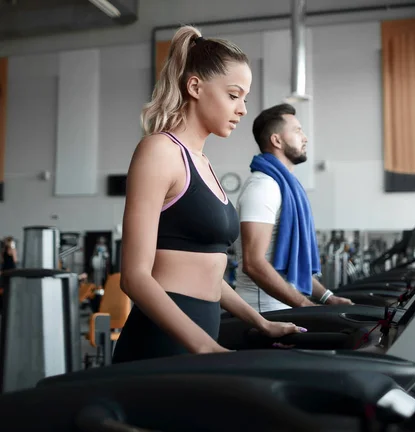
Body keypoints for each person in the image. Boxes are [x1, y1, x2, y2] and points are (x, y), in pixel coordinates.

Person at [111, 26, 305, 364]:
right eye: (233, 95)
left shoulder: (202, 162)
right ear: (195, 86)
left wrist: (261, 323)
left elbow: (210, 273)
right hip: (164, 340)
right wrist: (203, 347)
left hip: (202, 331)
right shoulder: (159, 151)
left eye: (244, 97)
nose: (243, 109)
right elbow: (135, 277)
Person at [234, 104, 353, 313]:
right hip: (263, 310)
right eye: (298, 131)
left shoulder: (285, 187)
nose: (305, 138)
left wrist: (327, 298)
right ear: (276, 140)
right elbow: (253, 263)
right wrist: (306, 306)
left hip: (283, 307)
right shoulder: (263, 187)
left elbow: (291, 266)